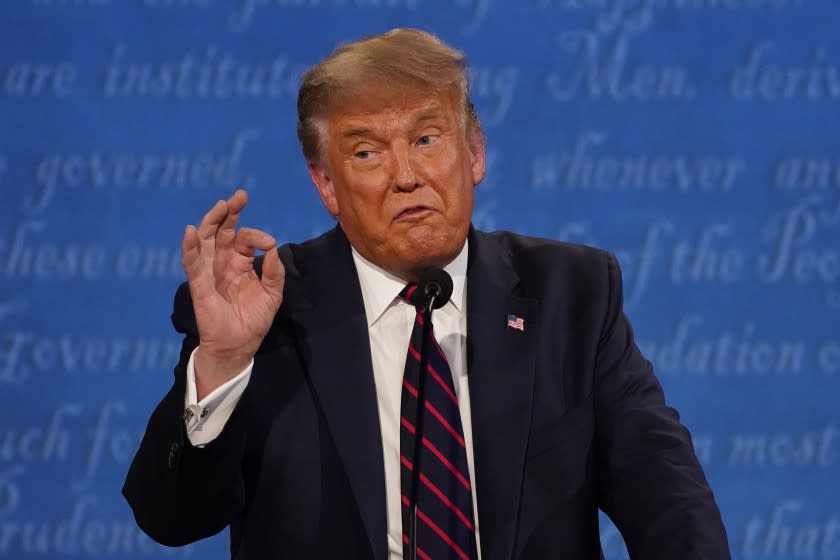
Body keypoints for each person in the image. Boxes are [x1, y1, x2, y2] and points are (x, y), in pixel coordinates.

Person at [123, 28, 731, 560]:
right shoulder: (268, 309)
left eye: (427, 139)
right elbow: (173, 520)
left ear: (474, 153)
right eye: (366, 152)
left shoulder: (571, 294)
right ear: (327, 185)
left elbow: (665, 491)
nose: (406, 175)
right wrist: (225, 362)